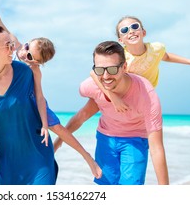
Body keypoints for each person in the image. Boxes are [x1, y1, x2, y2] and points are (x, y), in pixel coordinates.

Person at [0, 0, 101, 184]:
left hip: (32, 97)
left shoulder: (32, 69)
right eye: (26, 46)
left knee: (57, 128)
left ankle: (84, 156)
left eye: (29, 54)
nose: (22, 52)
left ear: (36, 61)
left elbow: (39, 95)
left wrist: (44, 123)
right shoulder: (15, 46)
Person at [54, 41, 169, 185]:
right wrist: (58, 142)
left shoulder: (146, 95)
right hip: (106, 138)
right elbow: (82, 116)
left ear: (124, 67)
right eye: (100, 70)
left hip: (135, 139)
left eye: (113, 69)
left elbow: (157, 148)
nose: (106, 76)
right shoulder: (89, 87)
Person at [91, 16, 190, 113]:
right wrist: (113, 98)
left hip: (142, 93)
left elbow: (166, 56)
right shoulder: (120, 56)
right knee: (89, 110)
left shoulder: (156, 48)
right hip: (119, 92)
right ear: (120, 40)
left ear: (143, 32)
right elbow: (94, 73)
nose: (131, 31)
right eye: (124, 30)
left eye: (135, 26)